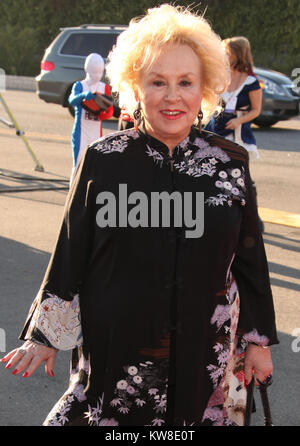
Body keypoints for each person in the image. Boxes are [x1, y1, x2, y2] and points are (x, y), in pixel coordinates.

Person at [1, 5, 278, 427]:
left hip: (206, 348)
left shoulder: (229, 161)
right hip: (118, 347)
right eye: (157, 82)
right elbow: (71, 248)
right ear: (134, 87)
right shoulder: (103, 159)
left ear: (204, 88)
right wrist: (46, 336)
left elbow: (250, 258)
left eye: (186, 82)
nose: (172, 96)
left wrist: (257, 342)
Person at [205, 36, 264, 230]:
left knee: (242, 175)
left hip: (237, 132)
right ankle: (219, 214)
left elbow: (256, 110)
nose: (224, 55)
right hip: (215, 129)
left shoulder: (251, 81)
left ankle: (253, 218)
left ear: (238, 54)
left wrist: (239, 120)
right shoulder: (221, 75)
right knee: (215, 173)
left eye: (227, 52)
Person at [68, 52, 114, 173]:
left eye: (100, 72)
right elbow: (71, 100)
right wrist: (84, 95)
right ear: (87, 70)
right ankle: (74, 189)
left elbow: (110, 110)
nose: (97, 76)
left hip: (96, 132)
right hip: (81, 132)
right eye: (94, 72)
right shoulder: (79, 85)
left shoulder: (104, 87)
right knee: (78, 164)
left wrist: (104, 114)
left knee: (95, 165)